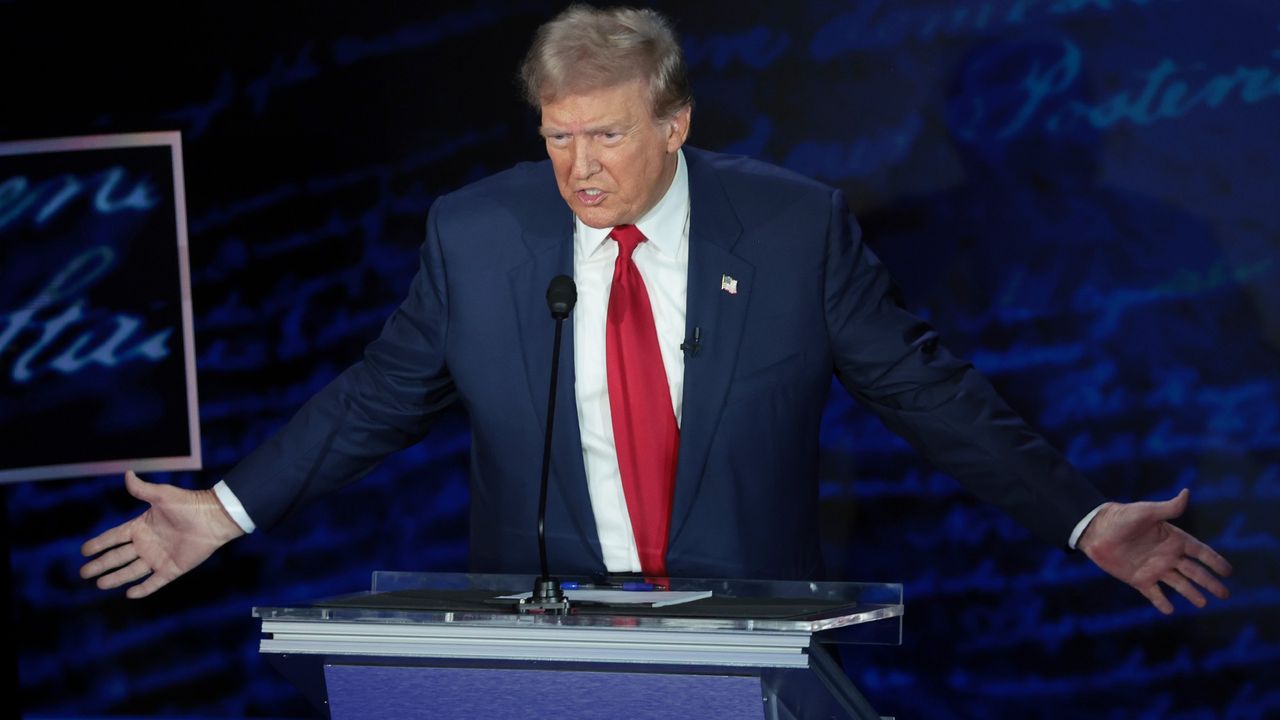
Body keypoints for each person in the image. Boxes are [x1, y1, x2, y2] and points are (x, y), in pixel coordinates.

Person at [81, 5, 1230, 614]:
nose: (578, 168)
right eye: (556, 136)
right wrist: (225, 512)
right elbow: (378, 396)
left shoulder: (791, 229)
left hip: (745, 634)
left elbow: (929, 396)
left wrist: (1081, 521)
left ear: (673, 124)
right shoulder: (479, 235)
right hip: (541, 644)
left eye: (607, 134)